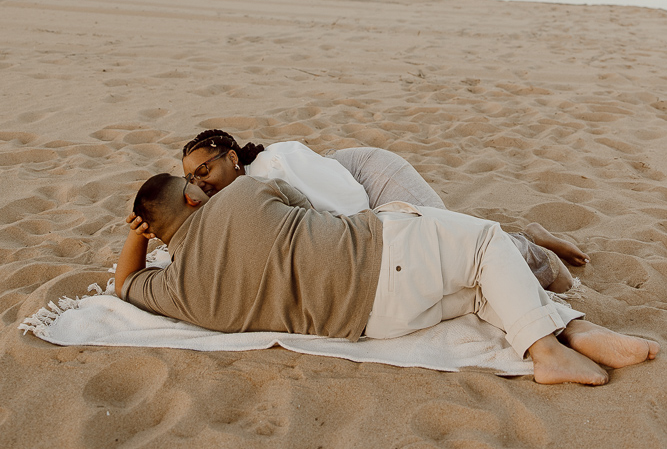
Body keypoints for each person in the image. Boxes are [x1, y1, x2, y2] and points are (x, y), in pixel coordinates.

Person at [116, 173, 659, 386]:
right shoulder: (237, 195)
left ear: (153, 231)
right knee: (487, 242)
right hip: (379, 259)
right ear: (192, 195)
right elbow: (313, 207)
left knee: (479, 291)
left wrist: (137, 237)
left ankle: (579, 331)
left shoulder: (175, 292)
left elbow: (122, 287)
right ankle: (546, 350)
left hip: (372, 324)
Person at [173, 130, 588, 292]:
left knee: (448, 231)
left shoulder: (273, 163)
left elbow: (348, 198)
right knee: (452, 235)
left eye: (205, 168)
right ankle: (528, 233)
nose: (200, 180)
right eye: (192, 178)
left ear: (231, 157)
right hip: (351, 188)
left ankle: (534, 251)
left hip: (368, 177)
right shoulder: (238, 192)